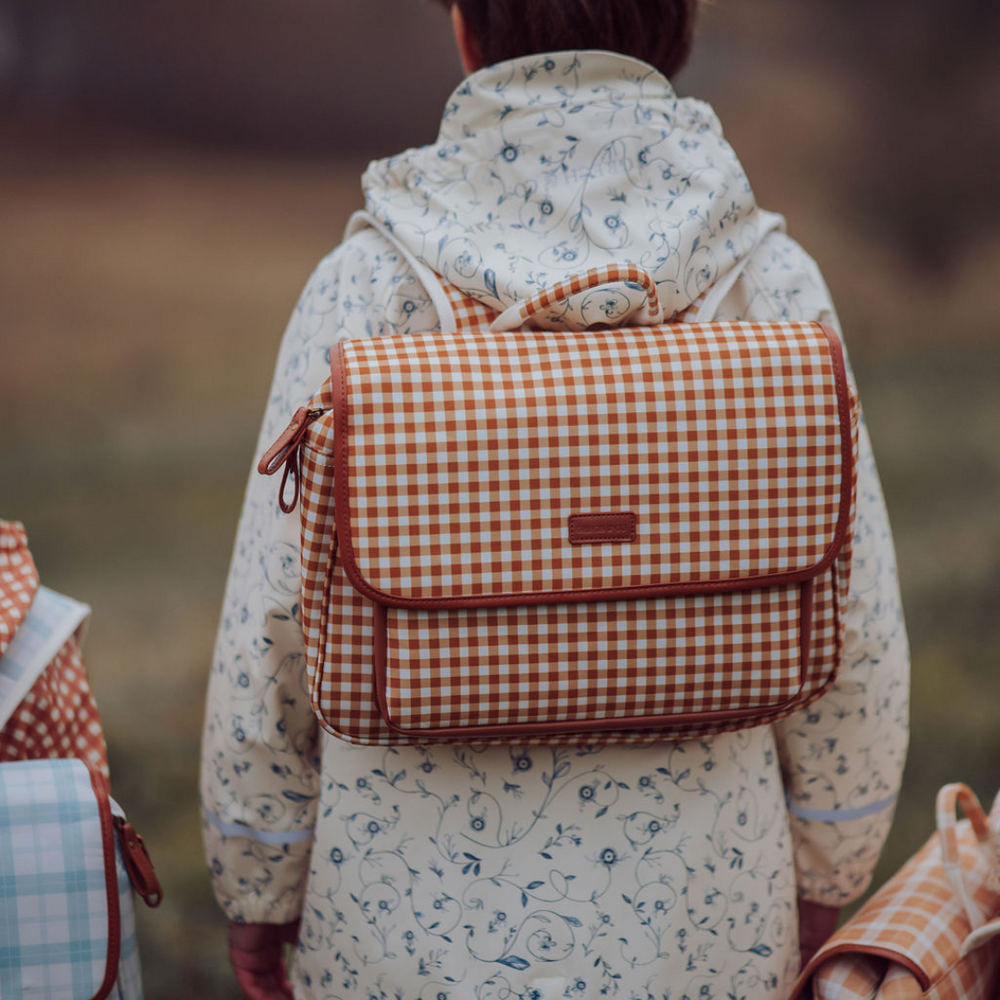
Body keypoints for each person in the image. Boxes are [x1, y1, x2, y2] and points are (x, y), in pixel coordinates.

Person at [200, 3, 910, 998]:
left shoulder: (364, 284)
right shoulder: (773, 285)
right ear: (679, 28)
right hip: (702, 923)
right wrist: (831, 866)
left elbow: (273, 629)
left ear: (465, 29)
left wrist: (259, 879)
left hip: (405, 932)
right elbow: (854, 627)